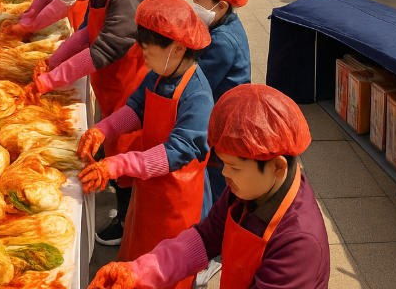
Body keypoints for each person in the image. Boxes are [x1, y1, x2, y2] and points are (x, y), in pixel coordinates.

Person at [89, 85, 328, 289]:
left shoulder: (299, 243)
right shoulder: (249, 191)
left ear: (277, 167)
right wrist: (139, 272)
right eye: (223, 163)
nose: (224, 174)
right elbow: (204, 239)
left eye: (234, 167)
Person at [23, 0, 150, 245]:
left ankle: (124, 219)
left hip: (128, 86)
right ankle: (118, 190)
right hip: (108, 84)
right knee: (111, 141)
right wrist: (53, 61)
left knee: (126, 147)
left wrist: (52, 80)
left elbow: (104, 47)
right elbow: (84, 32)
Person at [77, 0, 213, 281]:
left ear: (176, 48)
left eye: (149, 52)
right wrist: (103, 129)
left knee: (164, 269)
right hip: (148, 186)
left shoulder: (197, 95)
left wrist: (118, 164)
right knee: (136, 263)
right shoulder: (161, 73)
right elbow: (136, 107)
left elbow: (176, 152)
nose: (144, 58)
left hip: (176, 200)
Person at [185, 0, 251, 207]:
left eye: (198, 0)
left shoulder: (223, 41)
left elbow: (198, 82)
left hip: (225, 119)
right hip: (222, 109)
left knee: (217, 179)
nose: (193, 5)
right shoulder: (224, 22)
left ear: (221, 6)